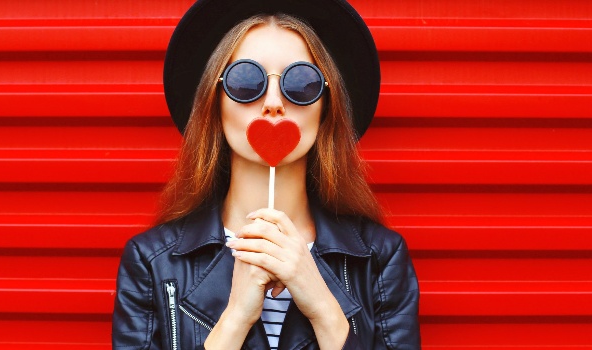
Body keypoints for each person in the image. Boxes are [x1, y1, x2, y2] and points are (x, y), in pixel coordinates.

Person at [112, 0, 420, 349]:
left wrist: (324, 309)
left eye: (301, 82)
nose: (273, 102)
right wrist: (235, 318)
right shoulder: (154, 263)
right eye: (247, 81)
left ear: (325, 106)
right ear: (215, 102)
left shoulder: (379, 260)